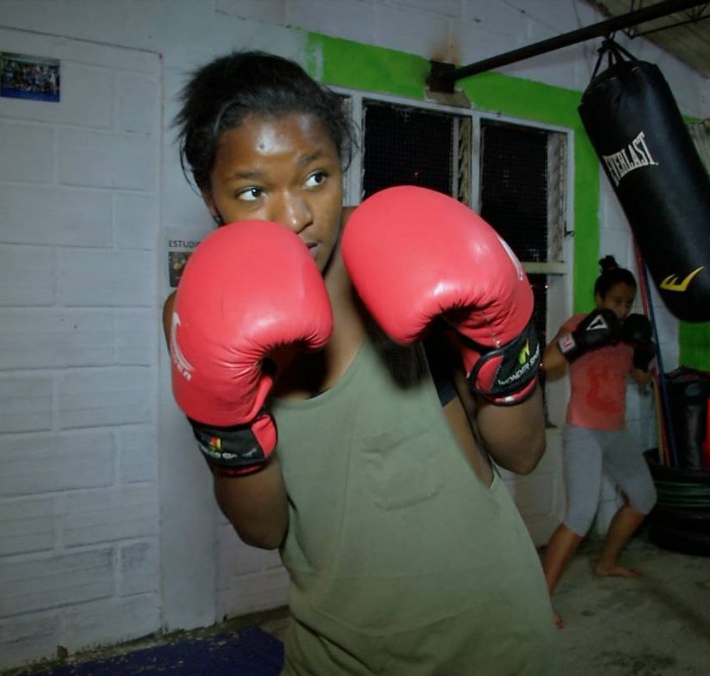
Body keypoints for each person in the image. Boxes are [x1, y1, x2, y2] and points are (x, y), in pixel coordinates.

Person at [164, 50, 563, 675]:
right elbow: (263, 530)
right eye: (251, 191)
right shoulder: (193, 314)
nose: (296, 216)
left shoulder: (405, 249)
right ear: (211, 197)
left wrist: (505, 339)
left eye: (315, 177)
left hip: (492, 634)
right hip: (335, 651)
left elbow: (523, 453)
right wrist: (229, 427)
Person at [539, 255, 659, 628]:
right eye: (616, 301)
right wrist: (581, 339)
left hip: (616, 431)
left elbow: (640, 380)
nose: (623, 310)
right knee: (580, 515)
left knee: (644, 497)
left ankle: (607, 563)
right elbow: (547, 363)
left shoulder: (628, 334)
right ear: (599, 298)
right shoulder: (579, 324)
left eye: (628, 303)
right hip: (583, 431)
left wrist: (645, 360)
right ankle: (539, 602)